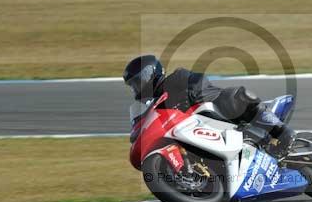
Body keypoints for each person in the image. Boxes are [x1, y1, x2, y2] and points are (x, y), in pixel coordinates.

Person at [123, 54, 295, 158]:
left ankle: (282, 132)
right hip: (196, 131)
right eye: (133, 85)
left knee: (235, 96)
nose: (137, 87)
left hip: (214, 108)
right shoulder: (155, 105)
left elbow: (198, 80)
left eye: (139, 81)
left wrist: (190, 96)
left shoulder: (177, 77)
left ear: (152, 72)